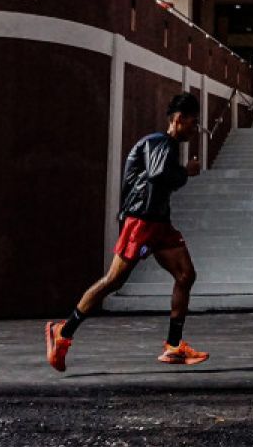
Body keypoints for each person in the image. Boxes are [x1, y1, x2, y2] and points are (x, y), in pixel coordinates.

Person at [46, 92, 206, 371]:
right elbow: (158, 177)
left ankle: (173, 346)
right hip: (141, 221)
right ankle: (63, 332)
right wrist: (186, 173)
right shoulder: (160, 143)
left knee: (185, 274)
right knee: (113, 281)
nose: (194, 130)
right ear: (179, 120)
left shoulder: (163, 145)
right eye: (193, 123)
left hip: (159, 222)